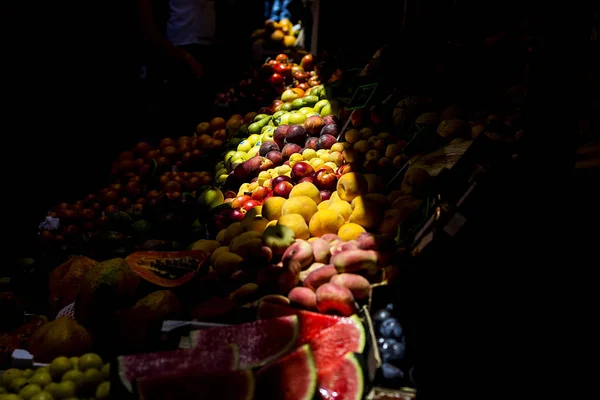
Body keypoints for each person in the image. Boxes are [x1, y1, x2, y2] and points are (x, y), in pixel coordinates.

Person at [136, 0, 218, 135]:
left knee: (204, 114)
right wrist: (179, 55)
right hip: (182, 46)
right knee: (184, 115)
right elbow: (147, 25)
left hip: (205, 44)